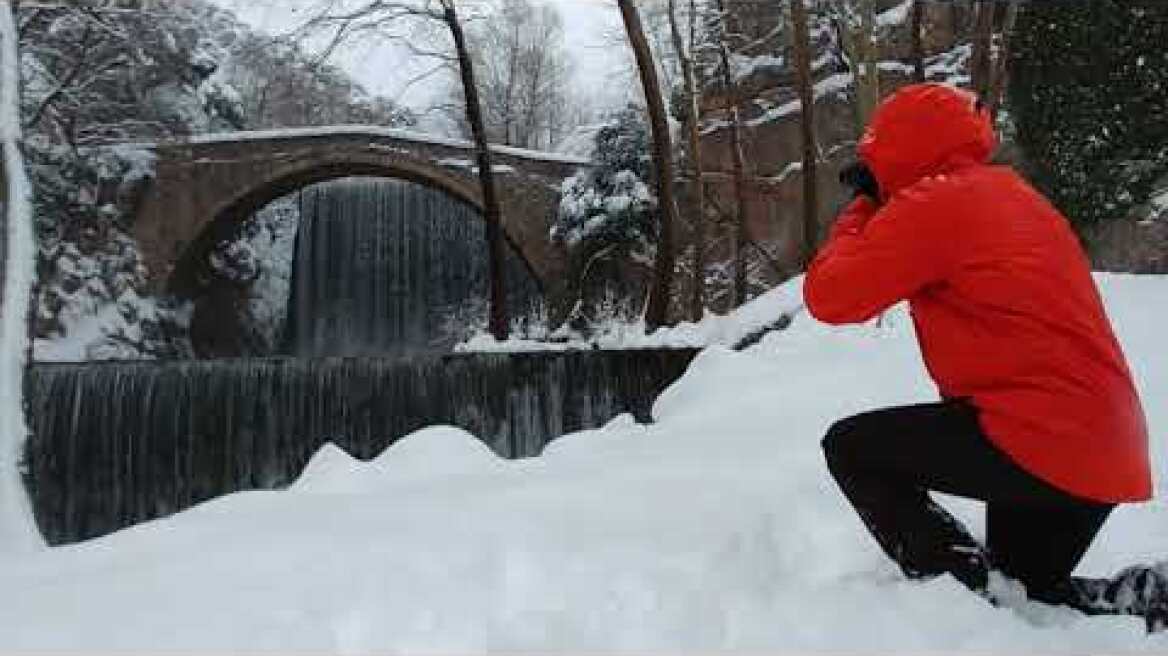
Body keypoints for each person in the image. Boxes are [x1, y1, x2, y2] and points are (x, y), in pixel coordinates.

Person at [804, 83, 1164, 629]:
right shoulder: (1015, 196)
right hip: (1099, 442)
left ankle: (959, 606)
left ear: (898, 152)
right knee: (1030, 593)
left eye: (873, 160)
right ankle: (1140, 600)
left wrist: (861, 208)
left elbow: (830, 296)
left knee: (853, 449)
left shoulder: (937, 202)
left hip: (1039, 436)